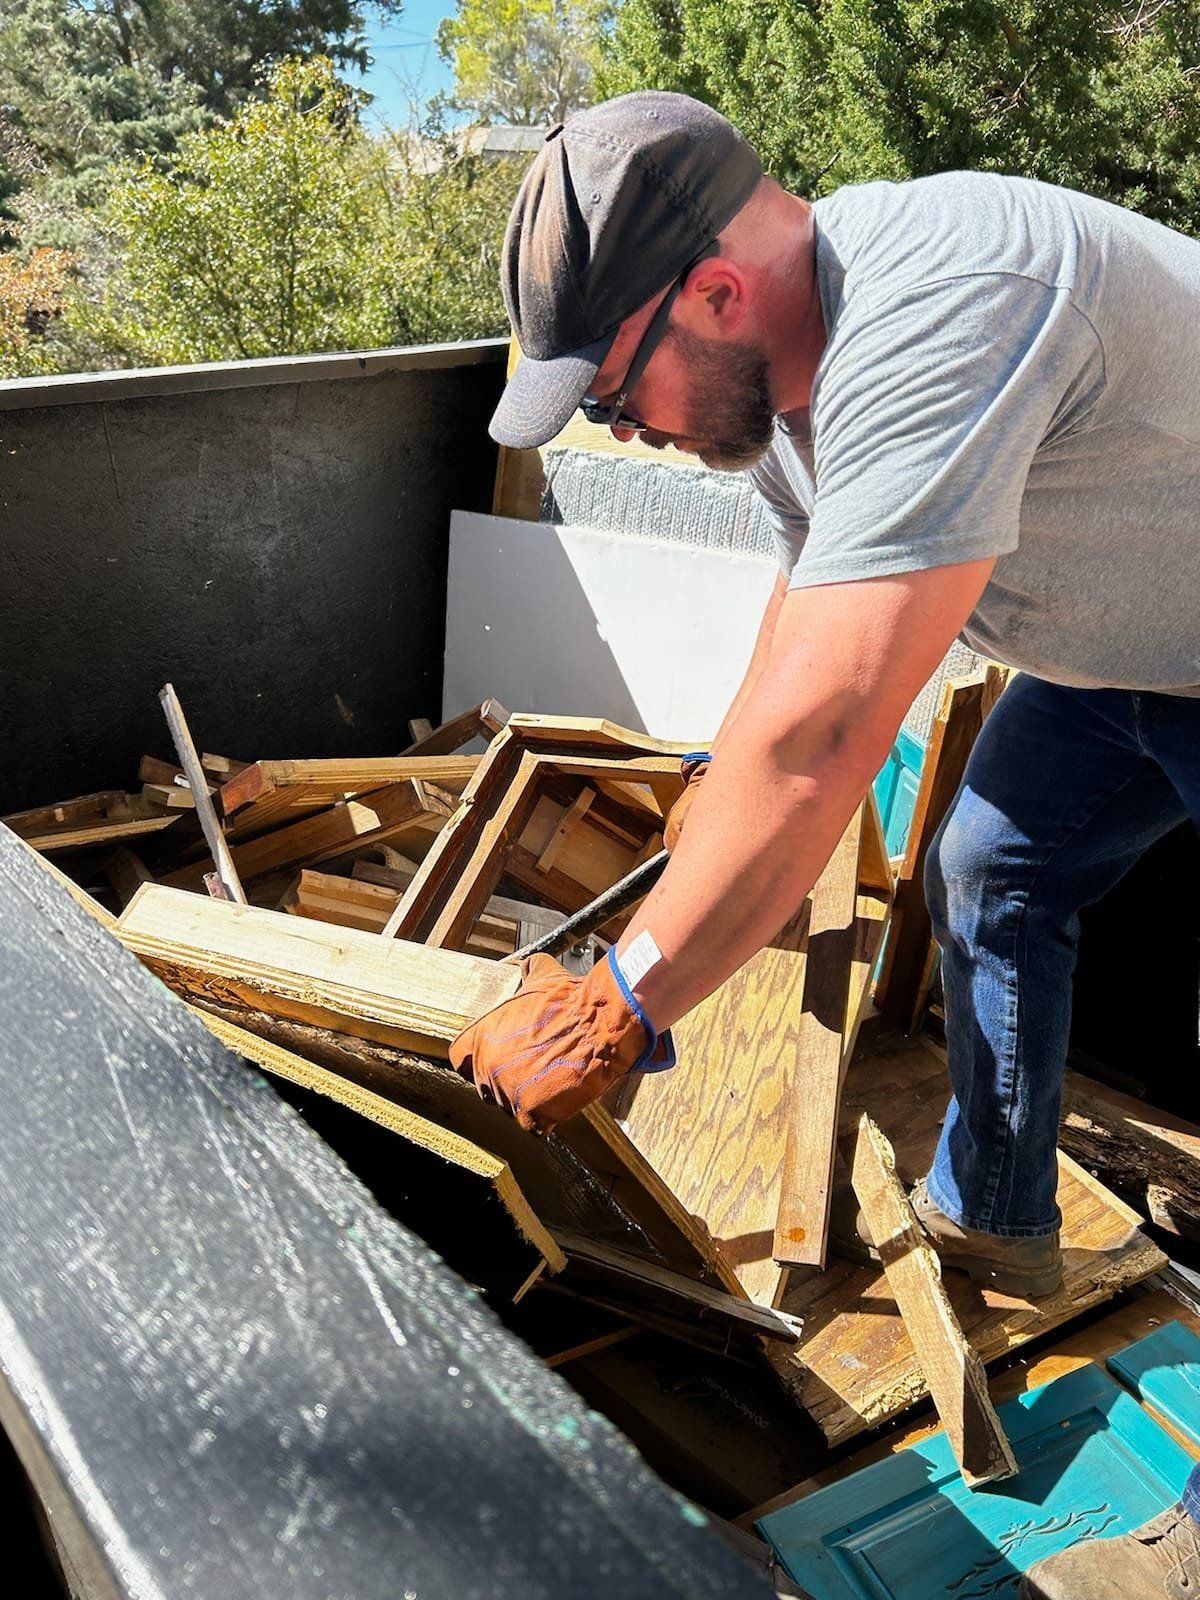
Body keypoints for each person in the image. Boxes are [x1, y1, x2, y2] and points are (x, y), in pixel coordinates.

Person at [449, 91, 1200, 1598]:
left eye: (614, 398)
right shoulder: (789, 400)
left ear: (718, 293)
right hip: (1131, 654)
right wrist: (694, 825)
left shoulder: (941, 308)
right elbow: (791, 660)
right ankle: (997, 1214)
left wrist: (622, 1001)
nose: (624, 431)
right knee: (993, 870)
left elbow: (830, 734)